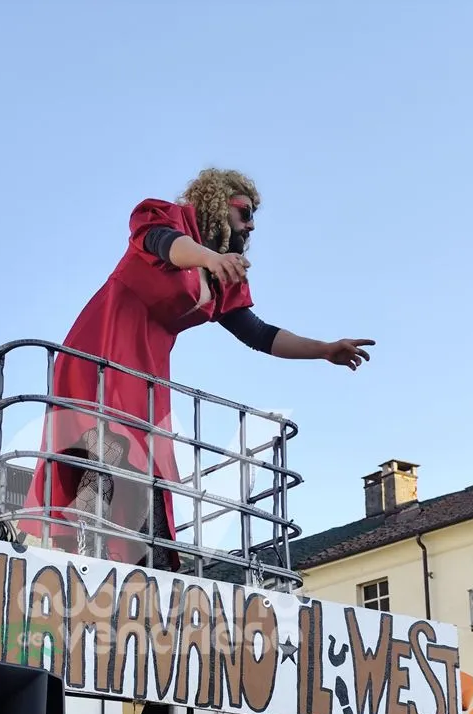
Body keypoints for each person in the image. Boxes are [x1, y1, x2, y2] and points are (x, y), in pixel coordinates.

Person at [20, 167, 374, 567]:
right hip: (100, 350)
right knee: (107, 454)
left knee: (150, 474)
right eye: (244, 210)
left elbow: (258, 332)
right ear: (215, 202)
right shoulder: (163, 218)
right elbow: (165, 244)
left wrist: (324, 349)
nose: (251, 223)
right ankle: (90, 561)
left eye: (255, 216)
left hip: (146, 374)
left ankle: (138, 576)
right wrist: (210, 256)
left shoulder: (223, 277)